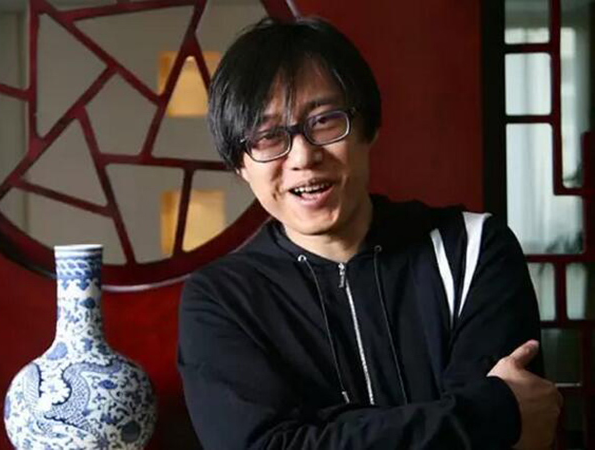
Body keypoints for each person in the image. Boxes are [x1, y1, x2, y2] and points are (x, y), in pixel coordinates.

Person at [177, 17, 562, 449]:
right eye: (268, 136)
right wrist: (490, 413)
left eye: (324, 120)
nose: (302, 156)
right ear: (240, 164)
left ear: (369, 127)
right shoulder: (222, 298)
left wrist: (320, 434)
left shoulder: (472, 249)